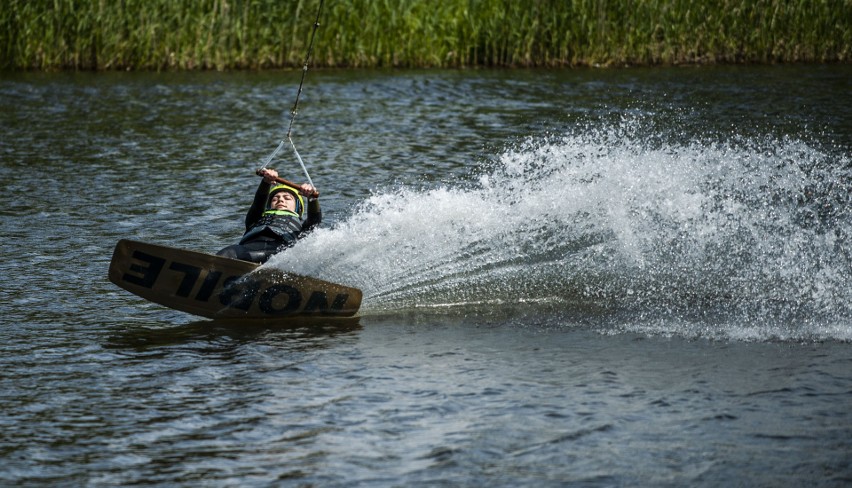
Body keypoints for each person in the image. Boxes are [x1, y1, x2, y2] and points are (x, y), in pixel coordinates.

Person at [216, 168, 321, 263]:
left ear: (298, 208)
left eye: (287, 198)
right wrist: (266, 182)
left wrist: (312, 199)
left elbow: (314, 221)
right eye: (275, 198)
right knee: (228, 252)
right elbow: (259, 202)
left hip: (279, 256)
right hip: (247, 252)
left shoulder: (301, 227)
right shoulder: (255, 218)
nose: (280, 199)